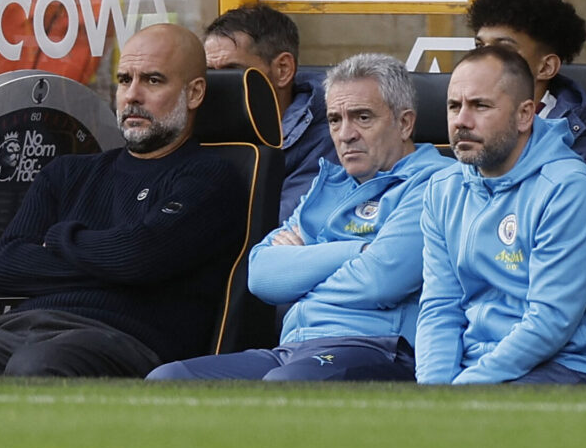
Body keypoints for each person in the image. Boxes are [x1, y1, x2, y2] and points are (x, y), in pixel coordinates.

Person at [0, 23, 248, 377]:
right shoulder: (68, 172)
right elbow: (4, 269)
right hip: (20, 331)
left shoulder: (210, 176)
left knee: (39, 365)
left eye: (153, 80)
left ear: (194, 93)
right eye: (125, 79)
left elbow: (138, 256)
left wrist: (58, 238)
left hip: (125, 341)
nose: (132, 96)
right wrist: (116, 260)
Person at [146, 53, 453, 382]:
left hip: (376, 347)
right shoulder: (330, 183)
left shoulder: (436, 182)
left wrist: (302, 264)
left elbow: (380, 281)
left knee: (286, 385)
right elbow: (262, 275)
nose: (345, 134)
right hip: (292, 347)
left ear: (405, 123)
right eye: (335, 120)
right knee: (169, 379)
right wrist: (356, 251)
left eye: (362, 117)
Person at [415, 45, 586, 385]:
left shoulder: (568, 189)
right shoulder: (442, 189)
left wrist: (460, 394)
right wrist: (432, 393)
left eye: (480, 106)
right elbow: (439, 308)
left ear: (525, 115)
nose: (461, 120)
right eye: (453, 106)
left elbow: (550, 321)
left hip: (575, 368)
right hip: (480, 369)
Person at [468, 0, 586, 180]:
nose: (483, 59)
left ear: (546, 67)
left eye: (503, 49)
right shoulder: (462, 125)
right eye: (479, 46)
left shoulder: (584, 157)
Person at [204, 3, 337, 221]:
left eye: (233, 73)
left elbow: (276, 222)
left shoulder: (330, 136)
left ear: (282, 69)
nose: (219, 86)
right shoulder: (196, 126)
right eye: (210, 73)